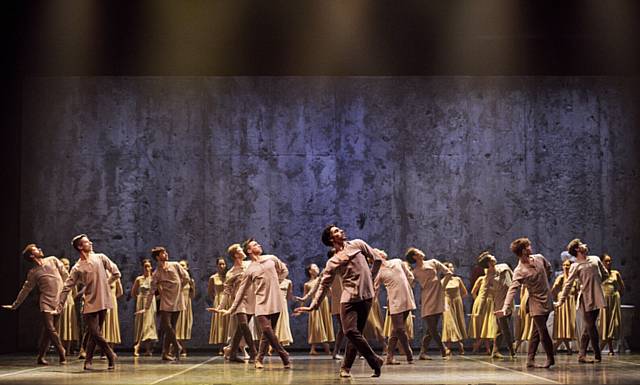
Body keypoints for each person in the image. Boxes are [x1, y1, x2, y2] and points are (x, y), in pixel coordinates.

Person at [295, 225, 384, 378]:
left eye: (339, 229)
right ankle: (374, 359)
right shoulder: (333, 261)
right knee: (349, 331)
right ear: (331, 239)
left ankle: (347, 368)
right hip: (348, 297)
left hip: (366, 295)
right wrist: (313, 306)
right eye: (336, 231)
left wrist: (371, 276)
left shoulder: (357, 244)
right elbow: (323, 285)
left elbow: (377, 259)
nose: (341, 231)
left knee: (357, 334)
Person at [216, 239, 291, 369]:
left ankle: (258, 359)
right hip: (260, 301)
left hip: (275, 300)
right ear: (249, 250)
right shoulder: (249, 270)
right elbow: (240, 291)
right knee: (266, 329)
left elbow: (284, 270)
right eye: (255, 244)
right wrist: (230, 310)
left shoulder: (271, 259)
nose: (259, 245)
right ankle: (283, 353)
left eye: (258, 243)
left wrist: (275, 283)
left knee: (268, 334)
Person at [57, 234, 120, 370]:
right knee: (95, 332)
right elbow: (67, 286)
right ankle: (110, 353)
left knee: (94, 334)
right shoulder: (77, 267)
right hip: (90, 302)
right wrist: (60, 304)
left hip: (103, 300)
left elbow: (116, 273)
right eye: (87, 242)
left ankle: (88, 362)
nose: (90, 243)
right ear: (80, 247)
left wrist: (105, 284)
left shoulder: (100, 257)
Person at [3, 244, 68, 365]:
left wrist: (65, 293)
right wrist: (15, 305)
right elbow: (25, 289)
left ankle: (41, 357)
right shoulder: (33, 272)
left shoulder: (52, 260)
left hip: (58, 301)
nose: (40, 249)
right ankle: (61, 351)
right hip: (46, 302)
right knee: (50, 328)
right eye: (36, 249)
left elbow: (66, 276)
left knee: (48, 332)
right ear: (32, 255)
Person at [496, 238, 554, 369]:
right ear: (523, 251)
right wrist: (505, 307)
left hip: (547, 298)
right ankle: (551, 358)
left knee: (536, 331)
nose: (530, 247)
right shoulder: (519, 270)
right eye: (528, 246)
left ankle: (530, 359)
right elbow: (512, 289)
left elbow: (548, 268)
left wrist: (545, 283)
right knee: (542, 331)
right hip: (535, 302)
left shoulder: (539, 258)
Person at [557, 239, 608, 363]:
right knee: (591, 326)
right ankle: (597, 354)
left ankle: (582, 355)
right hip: (586, 298)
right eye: (581, 245)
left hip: (597, 296)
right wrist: (561, 300)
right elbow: (568, 284)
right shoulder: (575, 266)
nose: (585, 245)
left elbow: (605, 274)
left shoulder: (595, 259)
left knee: (588, 327)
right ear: (577, 249)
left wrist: (596, 285)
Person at [136, 246, 190, 362]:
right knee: (167, 325)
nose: (165, 254)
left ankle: (165, 353)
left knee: (172, 328)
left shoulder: (175, 265)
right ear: (157, 257)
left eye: (165, 252)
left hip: (177, 299)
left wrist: (180, 287)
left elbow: (186, 277)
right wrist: (146, 308)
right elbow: (151, 291)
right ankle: (176, 346)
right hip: (166, 300)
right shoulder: (157, 273)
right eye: (162, 253)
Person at [208, 244, 256, 363]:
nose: (243, 251)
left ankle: (232, 353)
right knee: (244, 324)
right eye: (240, 250)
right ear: (236, 255)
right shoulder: (231, 273)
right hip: (239, 302)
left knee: (240, 328)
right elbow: (226, 292)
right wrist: (219, 308)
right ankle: (254, 352)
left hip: (251, 299)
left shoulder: (250, 264)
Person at [405, 247, 452, 360]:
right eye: (417, 252)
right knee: (432, 328)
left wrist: (442, 286)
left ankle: (422, 353)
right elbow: (410, 284)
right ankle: (443, 349)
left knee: (431, 328)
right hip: (427, 297)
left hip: (438, 296)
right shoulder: (415, 271)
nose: (421, 251)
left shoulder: (433, 262)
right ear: (415, 257)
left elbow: (448, 273)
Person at [373, 249, 416, 365]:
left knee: (396, 330)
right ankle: (409, 353)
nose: (380, 253)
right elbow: (375, 290)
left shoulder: (397, 261)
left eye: (380, 251)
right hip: (395, 301)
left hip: (406, 298)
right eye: (376, 253)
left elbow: (410, 277)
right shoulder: (379, 272)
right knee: (400, 329)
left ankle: (389, 357)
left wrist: (407, 288)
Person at [302, 263, 334, 355]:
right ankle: (326, 349)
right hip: (315, 304)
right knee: (316, 325)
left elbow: (330, 293)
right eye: (314, 267)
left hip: (324, 303)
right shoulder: (307, 284)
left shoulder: (322, 280)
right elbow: (305, 297)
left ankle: (313, 349)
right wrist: (301, 308)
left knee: (323, 324)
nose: (317, 268)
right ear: (310, 271)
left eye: (317, 266)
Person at [131, 258, 158, 357]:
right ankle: (137, 346)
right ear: (143, 267)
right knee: (142, 324)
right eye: (145, 266)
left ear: (151, 267)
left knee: (149, 325)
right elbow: (133, 292)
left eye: (149, 266)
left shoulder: (154, 279)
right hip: (141, 301)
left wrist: (154, 299)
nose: (147, 268)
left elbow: (160, 291)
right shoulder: (139, 279)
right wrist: (140, 299)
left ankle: (147, 349)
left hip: (151, 303)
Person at [599, 253, 624, 355]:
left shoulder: (615, 273)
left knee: (614, 323)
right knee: (605, 323)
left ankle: (603, 349)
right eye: (606, 261)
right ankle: (607, 349)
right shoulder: (600, 274)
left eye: (610, 261)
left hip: (614, 299)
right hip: (604, 300)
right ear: (602, 263)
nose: (608, 263)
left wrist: (617, 296)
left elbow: (622, 287)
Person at [551, 259, 577, 354]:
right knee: (562, 326)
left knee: (568, 326)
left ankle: (565, 349)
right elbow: (553, 290)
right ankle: (555, 347)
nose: (566, 267)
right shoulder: (561, 278)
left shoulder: (574, 279)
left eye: (568, 265)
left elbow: (577, 292)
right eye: (564, 265)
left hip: (571, 304)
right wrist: (555, 300)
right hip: (562, 304)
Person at [441, 262, 467, 355]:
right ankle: (454, 345)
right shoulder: (442, 281)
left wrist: (458, 299)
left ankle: (454, 346)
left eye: (452, 267)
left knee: (457, 323)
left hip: (456, 302)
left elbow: (464, 292)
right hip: (446, 303)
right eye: (449, 267)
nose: (451, 269)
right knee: (449, 323)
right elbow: (440, 294)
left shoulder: (458, 279)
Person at [468, 272, 495, 355]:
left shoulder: (495, 280)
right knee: (480, 325)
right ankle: (486, 348)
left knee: (487, 325)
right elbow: (473, 292)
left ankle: (479, 345)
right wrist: (478, 302)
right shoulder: (481, 279)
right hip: (480, 302)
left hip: (490, 304)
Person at [57, 257, 79, 356]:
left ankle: (69, 348)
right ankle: (61, 348)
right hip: (59, 303)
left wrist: (70, 300)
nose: (67, 266)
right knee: (60, 326)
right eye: (64, 265)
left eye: (68, 265)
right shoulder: (57, 277)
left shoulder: (72, 277)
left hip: (70, 303)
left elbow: (75, 293)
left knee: (69, 326)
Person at [208, 257, 230, 354]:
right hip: (218, 300)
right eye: (220, 264)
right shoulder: (213, 278)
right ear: (217, 265)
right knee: (220, 324)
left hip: (228, 300)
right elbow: (210, 292)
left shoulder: (229, 276)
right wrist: (216, 299)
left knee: (229, 323)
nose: (222, 266)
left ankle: (229, 345)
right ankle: (221, 347)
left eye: (223, 264)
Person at [175, 259, 196, 357]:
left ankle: (182, 348)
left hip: (187, 304)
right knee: (177, 326)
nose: (181, 267)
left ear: (187, 268)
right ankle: (175, 347)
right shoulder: (176, 279)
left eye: (183, 265)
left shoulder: (190, 280)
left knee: (184, 327)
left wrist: (193, 286)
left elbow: (192, 295)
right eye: (180, 266)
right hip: (178, 304)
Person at [103, 271, 123, 350]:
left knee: (111, 323)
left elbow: (120, 292)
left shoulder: (115, 277)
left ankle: (111, 348)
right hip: (103, 302)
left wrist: (113, 298)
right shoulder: (101, 275)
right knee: (103, 324)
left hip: (112, 303)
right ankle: (103, 349)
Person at [274, 277, 294, 347]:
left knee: (283, 322)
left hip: (283, 303)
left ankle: (280, 342)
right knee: (275, 322)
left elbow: (288, 296)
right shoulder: (274, 279)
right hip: (274, 303)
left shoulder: (288, 282)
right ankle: (272, 343)